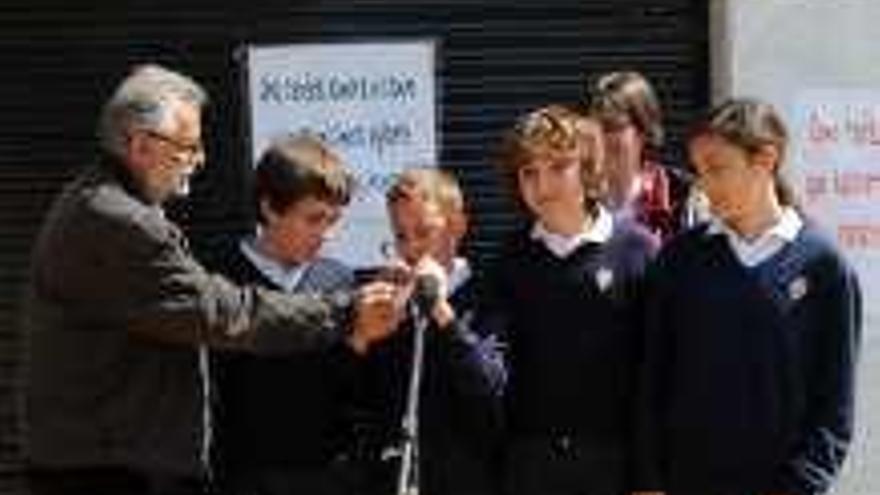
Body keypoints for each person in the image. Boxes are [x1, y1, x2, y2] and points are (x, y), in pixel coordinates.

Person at [22, 64, 402, 495]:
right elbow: (220, 314)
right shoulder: (119, 221)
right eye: (188, 147)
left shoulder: (103, 203)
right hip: (109, 469)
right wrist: (346, 310)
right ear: (141, 145)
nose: (199, 161)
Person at [633, 98, 862, 495]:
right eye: (699, 171)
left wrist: (802, 485)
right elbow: (652, 379)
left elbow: (834, 406)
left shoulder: (824, 266)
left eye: (717, 169)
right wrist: (650, 480)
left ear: (766, 160)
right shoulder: (679, 260)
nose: (703, 185)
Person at [490, 104, 657, 495]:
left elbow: (656, 371)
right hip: (530, 464)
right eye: (529, 172)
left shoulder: (638, 250)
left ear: (588, 169)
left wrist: (650, 475)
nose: (542, 185)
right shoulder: (511, 258)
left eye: (558, 167)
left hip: (615, 463)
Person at [205, 133, 379, 495]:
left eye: (333, 220)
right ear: (269, 208)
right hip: (241, 475)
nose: (326, 235)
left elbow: (348, 390)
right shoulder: (216, 276)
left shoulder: (338, 278)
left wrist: (361, 341)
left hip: (327, 474)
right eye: (313, 219)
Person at [353, 167, 506, 495]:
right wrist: (368, 331)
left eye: (424, 232)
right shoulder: (394, 299)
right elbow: (364, 398)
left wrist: (441, 311)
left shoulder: (488, 294)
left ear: (458, 227)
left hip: (469, 478)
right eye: (401, 236)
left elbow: (490, 389)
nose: (411, 249)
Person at [586, 70, 692, 240]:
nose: (600, 139)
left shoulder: (679, 195)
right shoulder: (575, 195)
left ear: (644, 130)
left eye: (612, 127)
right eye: (593, 128)